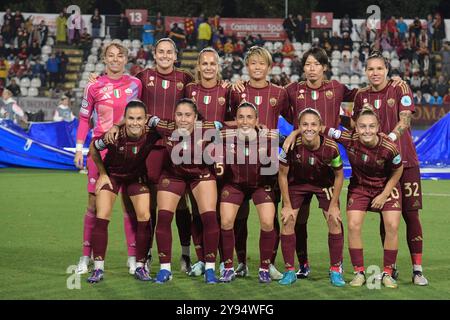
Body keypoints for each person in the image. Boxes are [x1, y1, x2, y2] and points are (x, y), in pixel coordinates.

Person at [283, 47, 405, 279]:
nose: (312, 69)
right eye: (308, 64)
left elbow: (363, 94)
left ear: (325, 67)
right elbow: (270, 102)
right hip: (299, 163)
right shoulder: (292, 90)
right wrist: (294, 132)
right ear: (303, 68)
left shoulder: (337, 88)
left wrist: (392, 82)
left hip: (328, 164)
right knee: (297, 218)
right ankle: (302, 264)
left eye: (316, 64)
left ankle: (336, 269)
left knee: (333, 217)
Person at [105, 38, 195, 273]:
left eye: (169, 52)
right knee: (152, 203)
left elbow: (198, 100)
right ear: (154, 54)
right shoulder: (143, 77)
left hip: (177, 147)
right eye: (161, 52)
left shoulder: (185, 79)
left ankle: (185, 254)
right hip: (152, 148)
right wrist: (116, 123)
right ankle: (148, 253)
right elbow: (123, 92)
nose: (165, 55)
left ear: (175, 56)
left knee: (182, 204)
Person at [352, 51, 428, 286]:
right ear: (365, 72)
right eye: (371, 69)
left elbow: (405, 120)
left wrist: (390, 138)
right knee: (387, 218)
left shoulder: (400, 88)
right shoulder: (360, 96)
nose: (375, 73)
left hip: (406, 163)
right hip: (381, 166)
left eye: (379, 68)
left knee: (411, 214)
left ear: (387, 70)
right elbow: (356, 127)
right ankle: (390, 268)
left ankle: (417, 269)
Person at [74, 43, 142, 276]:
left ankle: (133, 258)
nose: (115, 59)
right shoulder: (94, 86)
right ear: (104, 59)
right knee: (94, 205)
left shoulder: (136, 84)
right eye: (110, 56)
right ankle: (86, 256)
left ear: (126, 59)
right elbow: (84, 120)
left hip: (128, 152)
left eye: (119, 56)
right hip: (100, 152)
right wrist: (79, 149)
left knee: (129, 204)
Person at [229, 46, 290, 280]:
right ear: (247, 66)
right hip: (239, 160)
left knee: (269, 214)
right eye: (253, 63)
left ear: (269, 67)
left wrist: (291, 136)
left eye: (261, 63)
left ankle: (270, 263)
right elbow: (225, 120)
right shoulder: (237, 91)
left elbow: (296, 118)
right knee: (239, 214)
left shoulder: (280, 93)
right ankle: (241, 261)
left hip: (267, 161)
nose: (257, 67)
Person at [326, 108, 404, 288]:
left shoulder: (389, 147)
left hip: (385, 187)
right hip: (359, 188)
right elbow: (323, 129)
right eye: (362, 126)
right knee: (353, 225)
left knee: (392, 225)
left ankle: (387, 273)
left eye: (371, 126)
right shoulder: (348, 139)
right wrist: (295, 133)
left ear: (378, 127)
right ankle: (359, 272)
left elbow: (398, 169)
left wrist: (384, 194)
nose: (366, 130)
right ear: (356, 128)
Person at [87, 101, 160, 283]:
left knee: (144, 215)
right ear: (124, 119)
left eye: (139, 119)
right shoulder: (114, 135)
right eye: (131, 118)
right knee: (102, 214)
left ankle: (141, 266)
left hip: (136, 177)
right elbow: (93, 149)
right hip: (113, 175)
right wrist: (102, 174)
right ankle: (98, 269)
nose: (135, 123)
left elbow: (173, 128)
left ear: (145, 120)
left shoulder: (152, 133)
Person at [151, 98, 221, 284]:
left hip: (201, 174)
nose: (183, 119)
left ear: (195, 117)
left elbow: (237, 125)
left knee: (209, 217)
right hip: (174, 174)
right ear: (174, 116)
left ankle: (210, 269)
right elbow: (142, 117)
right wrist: (117, 125)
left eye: (188, 115)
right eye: (179, 114)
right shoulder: (165, 126)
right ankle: (165, 269)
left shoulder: (207, 128)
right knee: (164, 216)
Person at [278, 108, 345, 286]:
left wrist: (334, 205)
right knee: (288, 219)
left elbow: (339, 175)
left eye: (313, 124)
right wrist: (285, 204)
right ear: (299, 127)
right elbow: (282, 175)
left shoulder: (331, 148)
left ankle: (336, 270)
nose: (309, 128)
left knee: (334, 219)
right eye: (305, 124)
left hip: (324, 184)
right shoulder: (290, 145)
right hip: (297, 184)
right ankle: (290, 270)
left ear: (320, 127)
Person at [184, 47, 234, 276]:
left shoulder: (228, 90)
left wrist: (220, 125)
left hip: (220, 157)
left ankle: (225, 260)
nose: (208, 67)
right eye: (204, 63)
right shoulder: (189, 89)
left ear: (218, 67)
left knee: (219, 213)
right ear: (198, 67)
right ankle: (202, 258)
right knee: (198, 211)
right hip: (193, 157)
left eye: (212, 63)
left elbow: (236, 120)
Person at [218, 102, 279, 283]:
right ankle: (228, 267)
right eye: (241, 117)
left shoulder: (269, 138)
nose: (245, 121)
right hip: (234, 185)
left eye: (249, 117)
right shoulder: (225, 136)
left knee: (268, 222)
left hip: (261, 185)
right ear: (235, 120)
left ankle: (264, 268)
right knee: (227, 221)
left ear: (257, 120)